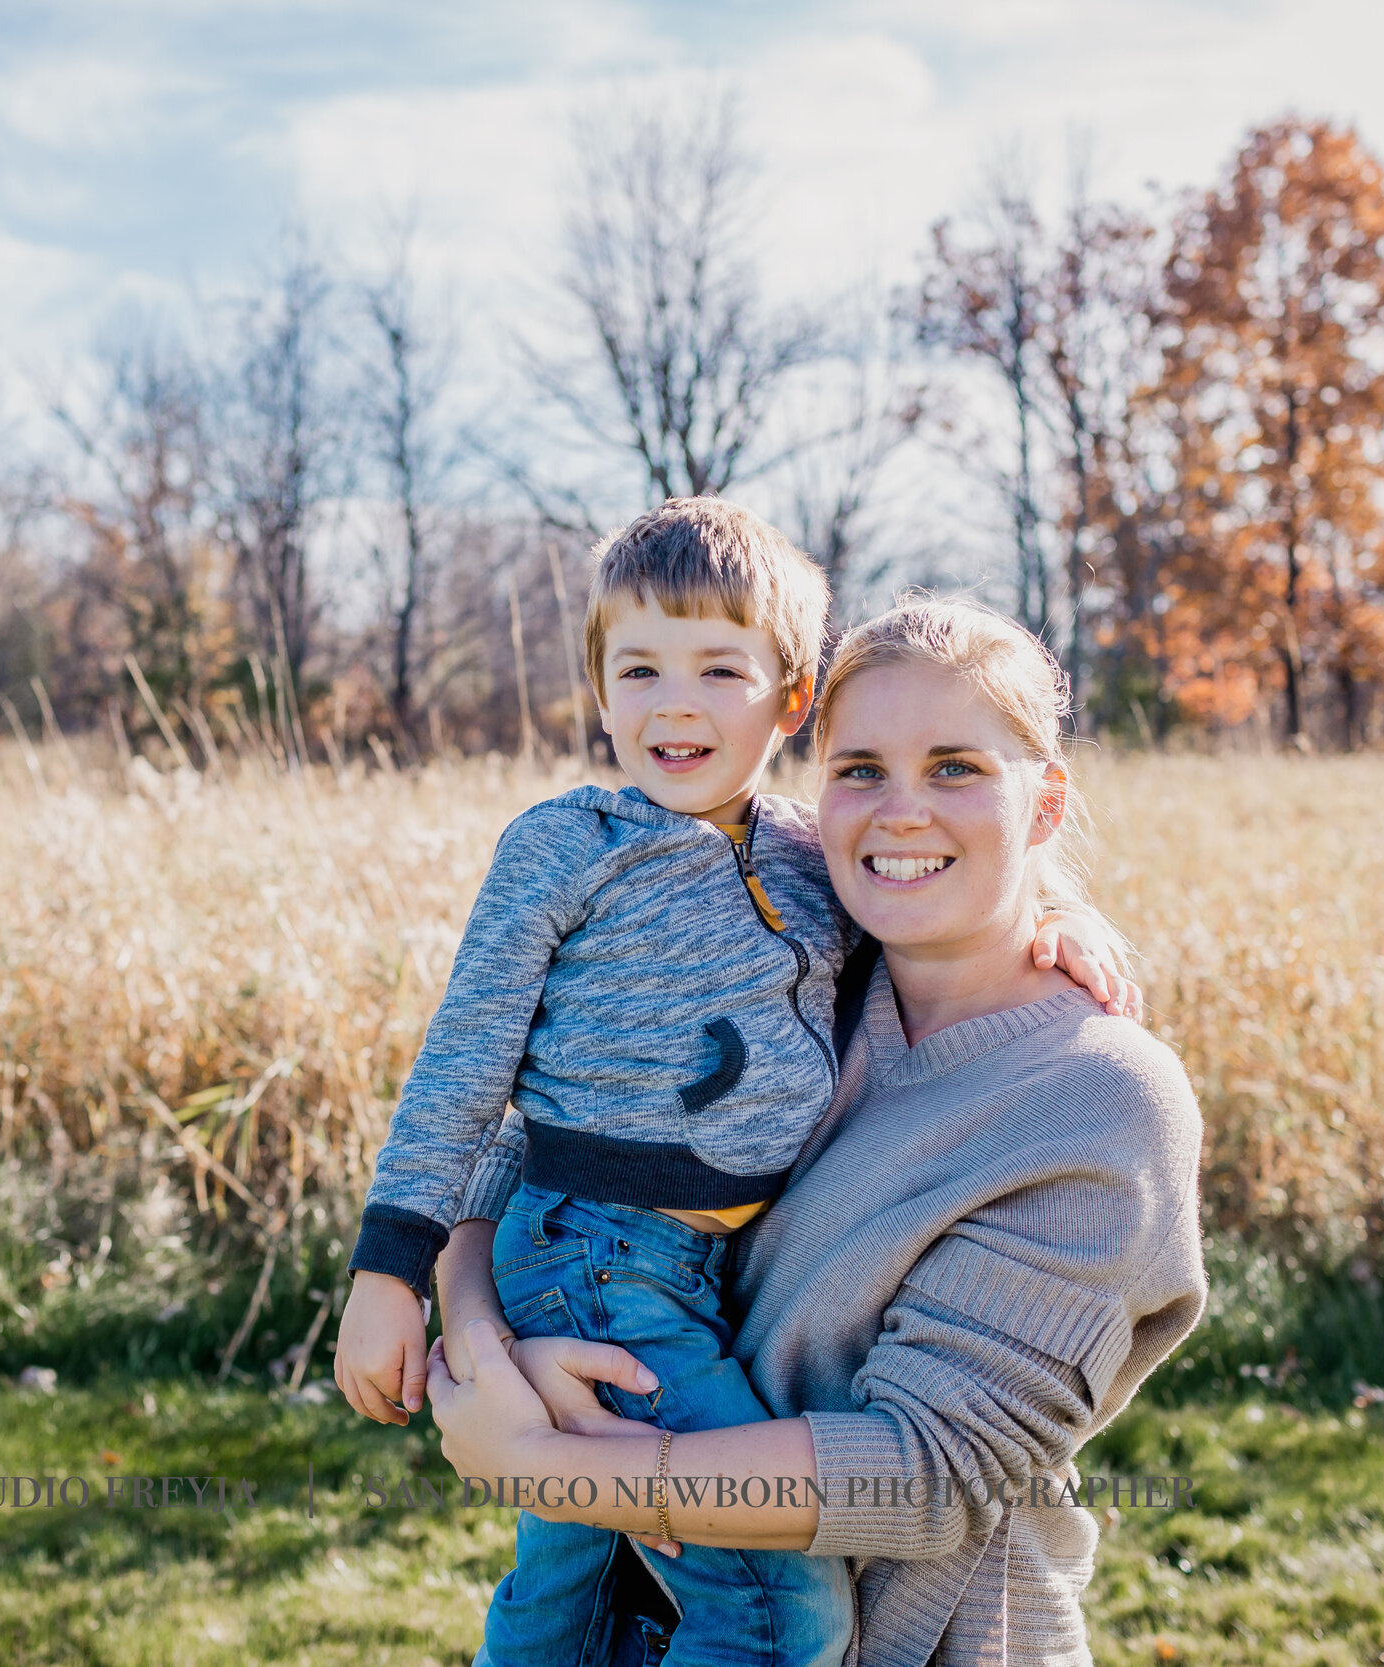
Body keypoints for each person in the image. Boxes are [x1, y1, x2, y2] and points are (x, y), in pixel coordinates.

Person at [334, 506, 1141, 1667]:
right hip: (600, 1257)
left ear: (787, 696)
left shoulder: (822, 868)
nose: (675, 704)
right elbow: (481, 1082)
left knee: (597, 1566)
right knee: (765, 1607)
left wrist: (1063, 918)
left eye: (720, 668)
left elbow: (928, 1472)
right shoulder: (579, 847)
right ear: (598, 685)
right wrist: (413, 1286)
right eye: (639, 668)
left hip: (705, 1315)